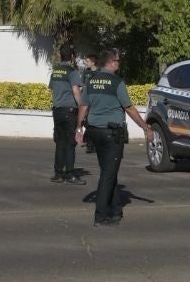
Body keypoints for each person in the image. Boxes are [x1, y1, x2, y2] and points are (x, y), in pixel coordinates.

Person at [76, 44, 148, 227]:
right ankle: (100, 216)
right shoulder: (117, 82)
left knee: (109, 171)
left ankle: (115, 210)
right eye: (118, 61)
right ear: (111, 62)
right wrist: (145, 127)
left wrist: (79, 128)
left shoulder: (91, 81)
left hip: (95, 132)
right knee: (108, 175)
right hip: (111, 133)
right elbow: (129, 108)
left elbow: (83, 106)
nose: (119, 64)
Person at [48, 43, 85, 182]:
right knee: (70, 143)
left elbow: (52, 89)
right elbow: (76, 92)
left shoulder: (55, 71)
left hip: (57, 111)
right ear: (72, 57)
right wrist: (82, 108)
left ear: (60, 55)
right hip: (69, 112)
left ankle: (58, 174)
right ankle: (69, 174)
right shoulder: (72, 71)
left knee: (60, 143)